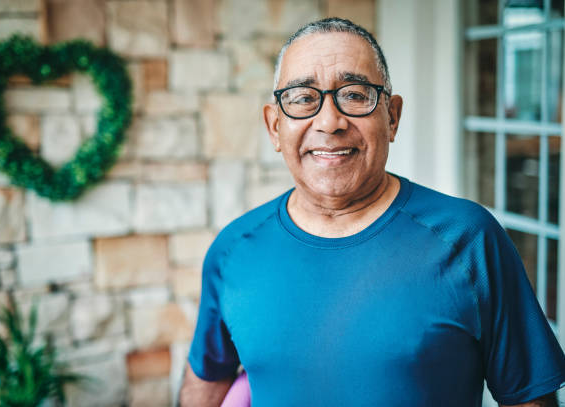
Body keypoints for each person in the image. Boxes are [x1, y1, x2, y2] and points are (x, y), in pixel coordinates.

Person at [179, 17, 565, 406]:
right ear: (274, 126)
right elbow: (206, 384)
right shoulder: (233, 251)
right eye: (302, 98)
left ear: (392, 117)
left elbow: (529, 400)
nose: (329, 122)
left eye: (355, 94)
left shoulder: (468, 240)